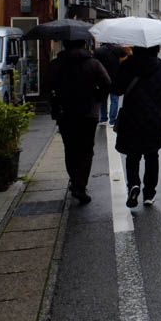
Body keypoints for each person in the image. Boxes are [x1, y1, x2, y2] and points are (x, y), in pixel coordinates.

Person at [43, 39, 111, 204]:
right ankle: (80, 185)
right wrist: (97, 98)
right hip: (88, 113)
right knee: (86, 150)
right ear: (83, 45)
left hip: (65, 113)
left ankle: (74, 180)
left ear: (65, 46)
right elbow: (107, 83)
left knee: (70, 148)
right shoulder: (93, 64)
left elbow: (46, 86)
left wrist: (55, 101)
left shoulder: (56, 64)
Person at [113, 45, 161, 208]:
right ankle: (149, 193)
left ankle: (133, 185)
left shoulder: (127, 65)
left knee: (132, 154)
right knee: (152, 155)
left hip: (131, 118)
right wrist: (160, 107)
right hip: (154, 119)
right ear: (156, 48)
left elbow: (116, 88)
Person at [93, 43, 128, 126]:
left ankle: (103, 118)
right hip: (115, 78)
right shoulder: (119, 49)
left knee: (103, 99)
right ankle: (112, 120)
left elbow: (95, 63)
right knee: (114, 99)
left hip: (102, 78)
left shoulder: (98, 51)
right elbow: (125, 58)